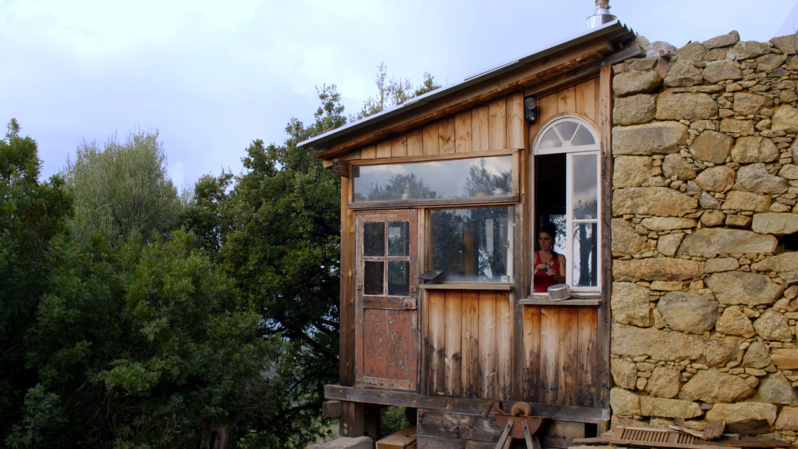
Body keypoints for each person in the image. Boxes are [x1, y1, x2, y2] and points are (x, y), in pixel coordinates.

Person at [533, 223, 566, 293]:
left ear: (552, 240)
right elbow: (524, 280)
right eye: (540, 239)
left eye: (546, 239)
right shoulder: (534, 256)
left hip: (554, 295)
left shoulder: (560, 257)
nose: (542, 242)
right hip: (536, 295)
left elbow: (564, 280)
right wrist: (536, 270)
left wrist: (554, 276)